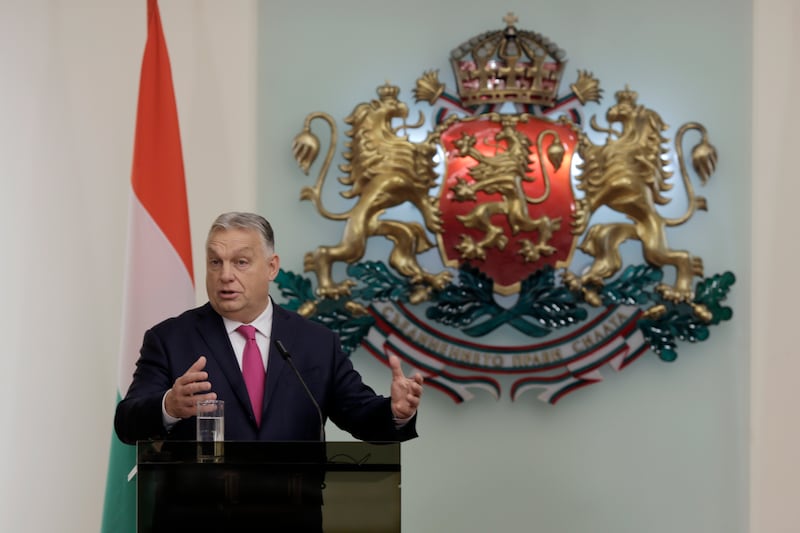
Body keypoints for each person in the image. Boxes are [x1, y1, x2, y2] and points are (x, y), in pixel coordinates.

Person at [114, 211, 423, 444]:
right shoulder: (170, 339)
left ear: (272, 267)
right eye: (215, 262)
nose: (225, 275)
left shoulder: (316, 343)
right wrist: (169, 404)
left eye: (241, 262)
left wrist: (396, 412)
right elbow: (127, 422)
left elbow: (360, 415)